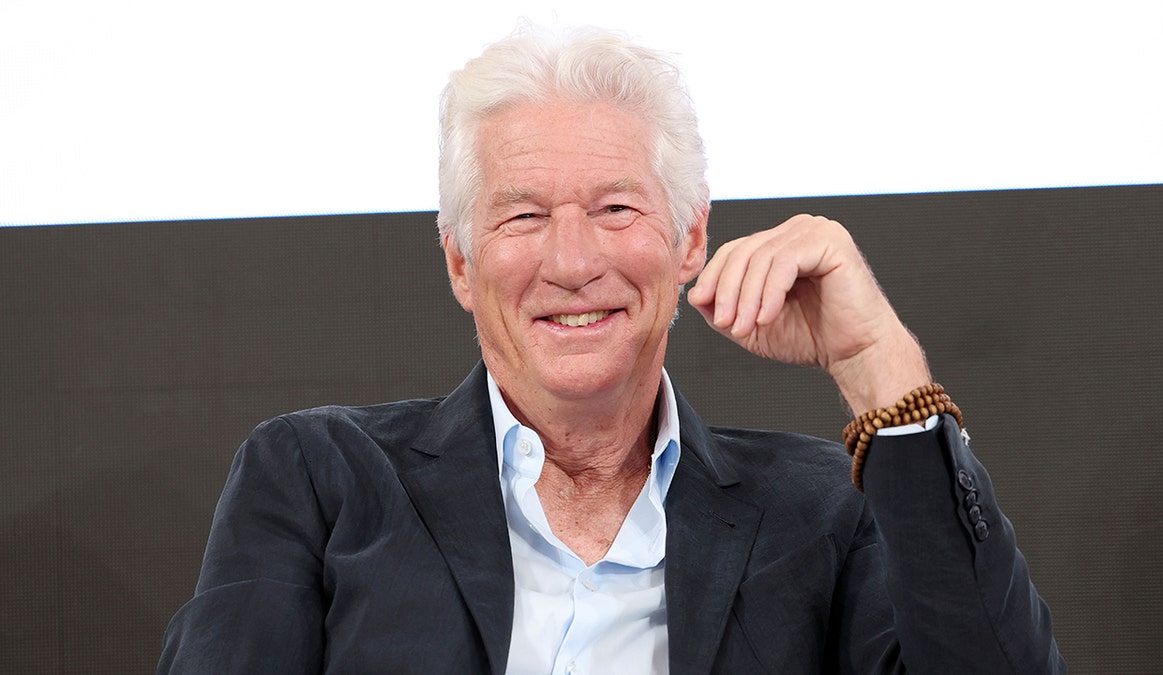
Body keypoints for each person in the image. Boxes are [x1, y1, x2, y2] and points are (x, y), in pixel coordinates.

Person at [159, 27, 1064, 674]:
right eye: (523, 215)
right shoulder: (320, 479)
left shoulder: (823, 510)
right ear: (461, 262)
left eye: (615, 208)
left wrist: (875, 360)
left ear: (688, 238)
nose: (573, 261)